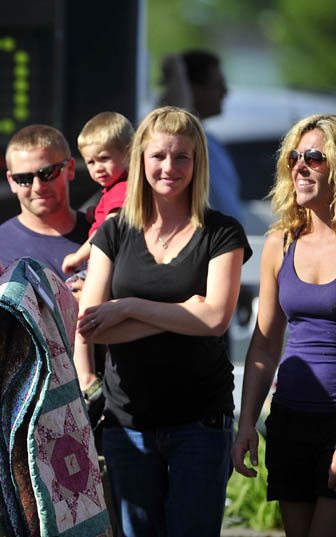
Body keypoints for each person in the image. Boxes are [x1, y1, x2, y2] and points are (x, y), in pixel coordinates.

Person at [74, 106, 251, 537]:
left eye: (182, 157)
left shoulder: (221, 232)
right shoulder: (113, 232)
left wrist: (130, 306)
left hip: (200, 424)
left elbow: (214, 319)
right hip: (127, 424)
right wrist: (185, 310)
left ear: (198, 162)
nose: (169, 167)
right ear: (140, 160)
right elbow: (92, 326)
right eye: (158, 156)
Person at [231, 114, 336, 537]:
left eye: (314, 156)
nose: (300, 166)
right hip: (291, 419)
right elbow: (263, 345)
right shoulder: (281, 241)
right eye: (294, 156)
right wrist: (246, 425)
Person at [159, 49, 244, 222]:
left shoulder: (211, 142)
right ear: (193, 90)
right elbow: (177, 114)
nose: (225, 92)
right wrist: (177, 72)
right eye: (217, 85)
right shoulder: (179, 143)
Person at [0, 124, 91, 277]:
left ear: (70, 168)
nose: (38, 187)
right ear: (11, 181)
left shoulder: (102, 234)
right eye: (24, 179)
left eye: (48, 173)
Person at [61, 111, 133, 275]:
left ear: (128, 154)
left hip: (110, 269)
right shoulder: (113, 189)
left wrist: (77, 257)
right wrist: (97, 213)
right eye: (91, 162)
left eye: (104, 158)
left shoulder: (122, 189)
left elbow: (108, 230)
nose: (98, 168)